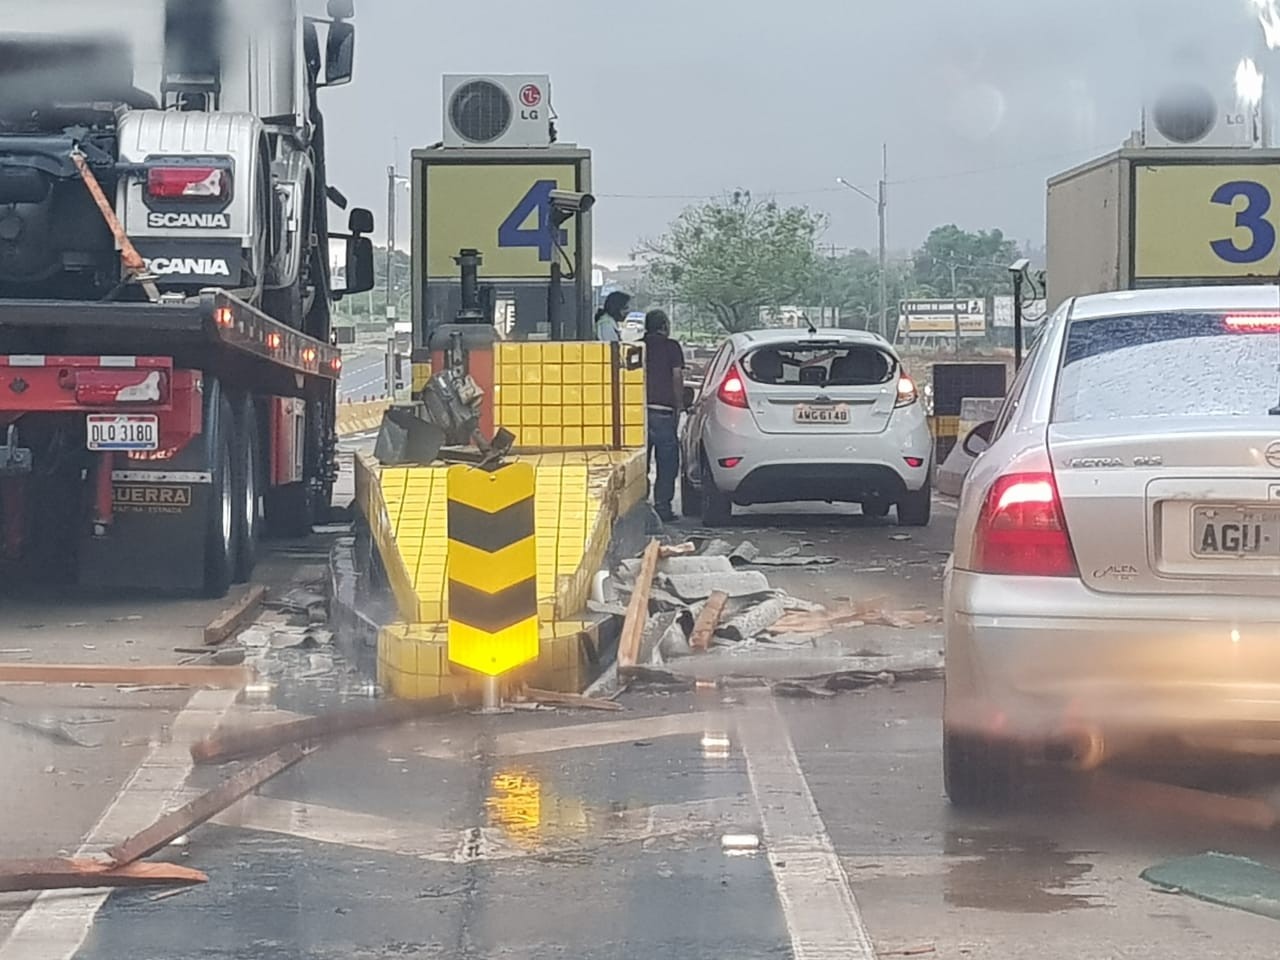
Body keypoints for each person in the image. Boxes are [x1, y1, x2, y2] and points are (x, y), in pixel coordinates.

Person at [642, 309, 685, 523]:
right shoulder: (672, 347)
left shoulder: (638, 347)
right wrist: (679, 406)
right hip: (664, 413)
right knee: (667, 463)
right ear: (664, 326)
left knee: (640, 464)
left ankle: (639, 507)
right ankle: (662, 508)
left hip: (638, 414)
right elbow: (677, 377)